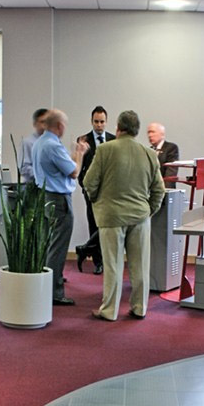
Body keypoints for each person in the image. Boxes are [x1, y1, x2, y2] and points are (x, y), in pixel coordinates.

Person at [84, 110, 166, 321]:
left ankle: (109, 311)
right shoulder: (149, 154)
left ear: (118, 128)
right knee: (140, 266)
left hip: (111, 217)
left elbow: (89, 183)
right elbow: (159, 190)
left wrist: (97, 201)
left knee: (113, 266)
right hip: (140, 217)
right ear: (137, 130)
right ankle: (139, 308)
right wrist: (148, 210)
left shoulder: (105, 150)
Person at [31, 109, 88, 306]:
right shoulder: (53, 145)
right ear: (60, 126)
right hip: (59, 200)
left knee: (48, 244)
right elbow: (74, 172)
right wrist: (80, 154)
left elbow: (62, 166)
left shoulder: (40, 143)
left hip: (46, 197)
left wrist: (74, 155)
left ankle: (46, 285)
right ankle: (54, 292)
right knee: (58, 247)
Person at [74, 106, 109, 275]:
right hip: (91, 192)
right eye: (96, 121)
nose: (99, 125)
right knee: (94, 225)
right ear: (91, 121)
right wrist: (86, 187)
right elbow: (79, 168)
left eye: (102, 121)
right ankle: (98, 262)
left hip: (109, 193)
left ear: (106, 122)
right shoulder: (84, 140)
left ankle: (88, 249)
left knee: (108, 226)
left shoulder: (113, 140)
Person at [18, 107, 49, 182]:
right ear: (35, 124)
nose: (45, 125)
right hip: (33, 185)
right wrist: (44, 175)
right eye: (42, 122)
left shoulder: (54, 142)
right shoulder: (28, 142)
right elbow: (23, 168)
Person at [146, 122, 180, 186]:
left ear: (162, 134)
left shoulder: (171, 148)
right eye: (148, 133)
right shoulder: (149, 150)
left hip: (164, 188)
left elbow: (171, 174)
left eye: (152, 132)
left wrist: (164, 190)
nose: (150, 135)